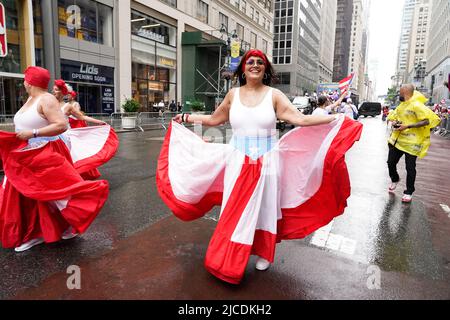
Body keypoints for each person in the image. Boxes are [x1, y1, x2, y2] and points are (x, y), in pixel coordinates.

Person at [156, 49, 363, 284]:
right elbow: (215, 120)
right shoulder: (233, 95)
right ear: (243, 68)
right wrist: (186, 118)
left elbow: (301, 120)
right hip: (237, 160)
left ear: (265, 69)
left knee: (265, 208)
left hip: (267, 162)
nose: (255, 65)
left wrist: (335, 119)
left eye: (260, 63)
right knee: (234, 208)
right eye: (250, 62)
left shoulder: (274, 95)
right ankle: (230, 257)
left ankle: (264, 252)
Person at [0, 66, 110, 252]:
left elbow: (61, 125)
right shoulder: (30, 99)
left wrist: (33, 133)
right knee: (29, 195)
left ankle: (64, 225)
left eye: (25, 80)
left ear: (30, 82)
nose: (24, 83)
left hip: (44, 152)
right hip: (26, 154)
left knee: (53, 193)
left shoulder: (47, 99)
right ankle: (35, 232)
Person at [386, 84, 441, 203]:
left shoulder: (416, 105)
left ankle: (409, 192)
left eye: (400, 92)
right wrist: (396, 122)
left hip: (412, 142)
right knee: (390, 162)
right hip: (399, 140)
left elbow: (426, 121)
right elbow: (394, 117)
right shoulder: (401, 106)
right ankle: (395, 179)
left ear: (405, 92)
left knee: (410, 167)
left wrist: (408, 126)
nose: (399, 95)